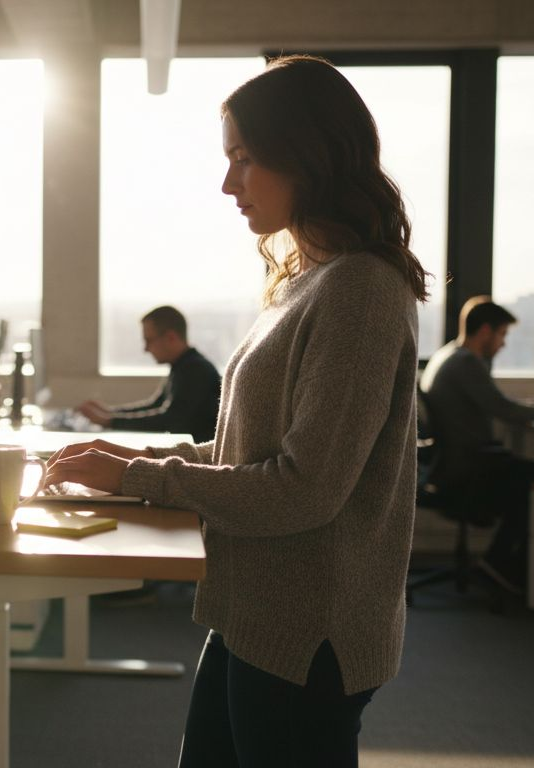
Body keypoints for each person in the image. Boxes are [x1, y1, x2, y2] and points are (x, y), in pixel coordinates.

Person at [46, 55, 427, 767]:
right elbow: (243, 455)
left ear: (307, 154)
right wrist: (128, 464)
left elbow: (303, 488)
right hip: (256, 613)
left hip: (310, 632)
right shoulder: (305, 284)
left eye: (245, 160)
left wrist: (139, 478)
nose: (229, 184)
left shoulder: (359, 292)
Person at [419, 296, 534, 593]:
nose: (504, 344)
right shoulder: (467, 363)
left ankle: (502, 565)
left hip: (449, 465)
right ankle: (502, 565)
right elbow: (504, 410)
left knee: (531, 476)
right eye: (502, 334)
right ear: (485, 331)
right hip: (470, 468)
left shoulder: (447, 355)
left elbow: (498, 404)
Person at [76, 306, 222, 442]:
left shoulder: (195, 370)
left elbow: (170, 420)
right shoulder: (183, 366)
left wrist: (109, 420)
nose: (145, 349)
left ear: (171, 338)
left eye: (149, 340)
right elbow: (156, 405)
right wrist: (110, 412)